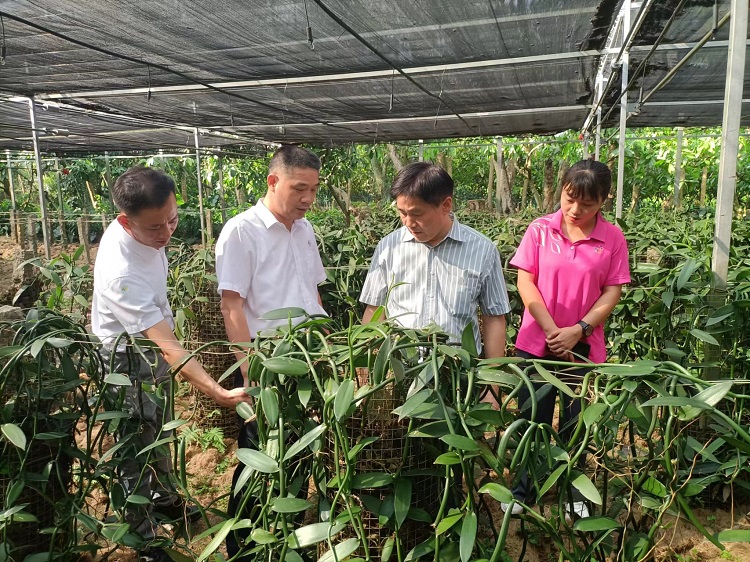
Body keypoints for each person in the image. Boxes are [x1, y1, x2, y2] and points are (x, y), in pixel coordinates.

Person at [92, 166, 252, 562]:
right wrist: (216, 391)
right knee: (134, 440)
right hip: (125, 358)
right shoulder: (120, 273)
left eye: (173, 219)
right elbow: (168, 348)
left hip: (153, 345)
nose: (166, 234)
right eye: (154, 229)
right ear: (124, 222)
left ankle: (163, 499)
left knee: (160, 427)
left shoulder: (150, 227)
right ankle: (142, 537)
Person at [215, 145, 327, 559]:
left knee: (296, 451)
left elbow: (312, 291)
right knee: (259, 454)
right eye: (300, 188)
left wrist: (324, 343)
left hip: (309, 360)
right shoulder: (241, 231)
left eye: (314, 189)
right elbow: (232, 305)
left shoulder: (305, 230)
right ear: (273, 181)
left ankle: (285, 536)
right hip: (269, 366)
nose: (308, 199)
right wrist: (251, 373)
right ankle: (242, 547)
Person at [503, 159, 631, 518]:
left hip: (583, 347)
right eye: (569, 198)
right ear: (560, 190)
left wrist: (579, 329)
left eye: (587, 203)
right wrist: (550, 329)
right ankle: (523, 490)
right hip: (537, 343)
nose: (576, 209)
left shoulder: (613, 238)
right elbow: (525, 281)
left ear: (603, 201)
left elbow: (612, 291)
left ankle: (575, 493)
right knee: (532, 420)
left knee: (577, 423)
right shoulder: (540, 230)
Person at [360, 161, 511, 363]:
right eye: (402, 213)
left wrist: (492, 385)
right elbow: (374, 310)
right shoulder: (389, 248)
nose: (408, 223)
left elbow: (494, 318)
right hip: (401, 368)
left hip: (459, 372)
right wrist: (370, 370)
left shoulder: (482, 250)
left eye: (417, 213)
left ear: (446, 205)